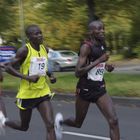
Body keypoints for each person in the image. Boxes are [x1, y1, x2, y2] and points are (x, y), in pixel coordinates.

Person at [55, 20, 120, 140]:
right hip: (85, 89)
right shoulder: (86, 47)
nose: (102, 31)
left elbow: (98, 64)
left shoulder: (102, 44)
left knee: (113, 121)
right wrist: (99, 60)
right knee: (78, 123)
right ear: (90, 32)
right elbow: (78, 72)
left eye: (103, 28)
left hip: (100, 88)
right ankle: (60, 123)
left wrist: (106, 66)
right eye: (99, 29)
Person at [0, 24, 57, 140]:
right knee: (23, 126)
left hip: (42, 91)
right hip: (27, 94)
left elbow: (43, 67)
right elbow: (8, 68)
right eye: (36, 34)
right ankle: (4, 122)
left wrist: (51, 75)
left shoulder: (44, 48)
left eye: (40, 32)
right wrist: (27, 77)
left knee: (50, 125)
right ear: (29, 37)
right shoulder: (24, 51)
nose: (40, 35)